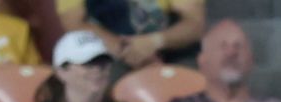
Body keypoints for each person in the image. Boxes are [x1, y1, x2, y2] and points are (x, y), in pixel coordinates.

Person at [57, 0, 206, 68]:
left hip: (171, 51)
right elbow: (73, 22)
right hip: (110, 54)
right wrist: (127, 49)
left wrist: (154, 42)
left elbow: (196, 24)